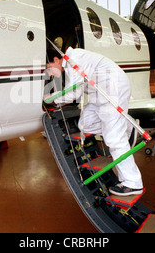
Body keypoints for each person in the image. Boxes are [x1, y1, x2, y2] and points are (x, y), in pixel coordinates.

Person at [44, 46, 143, 196]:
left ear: (56, 59)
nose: (49, 72)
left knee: (114, 139)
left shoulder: (73, 60)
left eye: (49, 67)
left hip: (112, 92)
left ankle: (133, 183)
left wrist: (50, 98)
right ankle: (125, 126)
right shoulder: (72, 60)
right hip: (99, 94)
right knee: (85, 124)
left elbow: (73, 93)